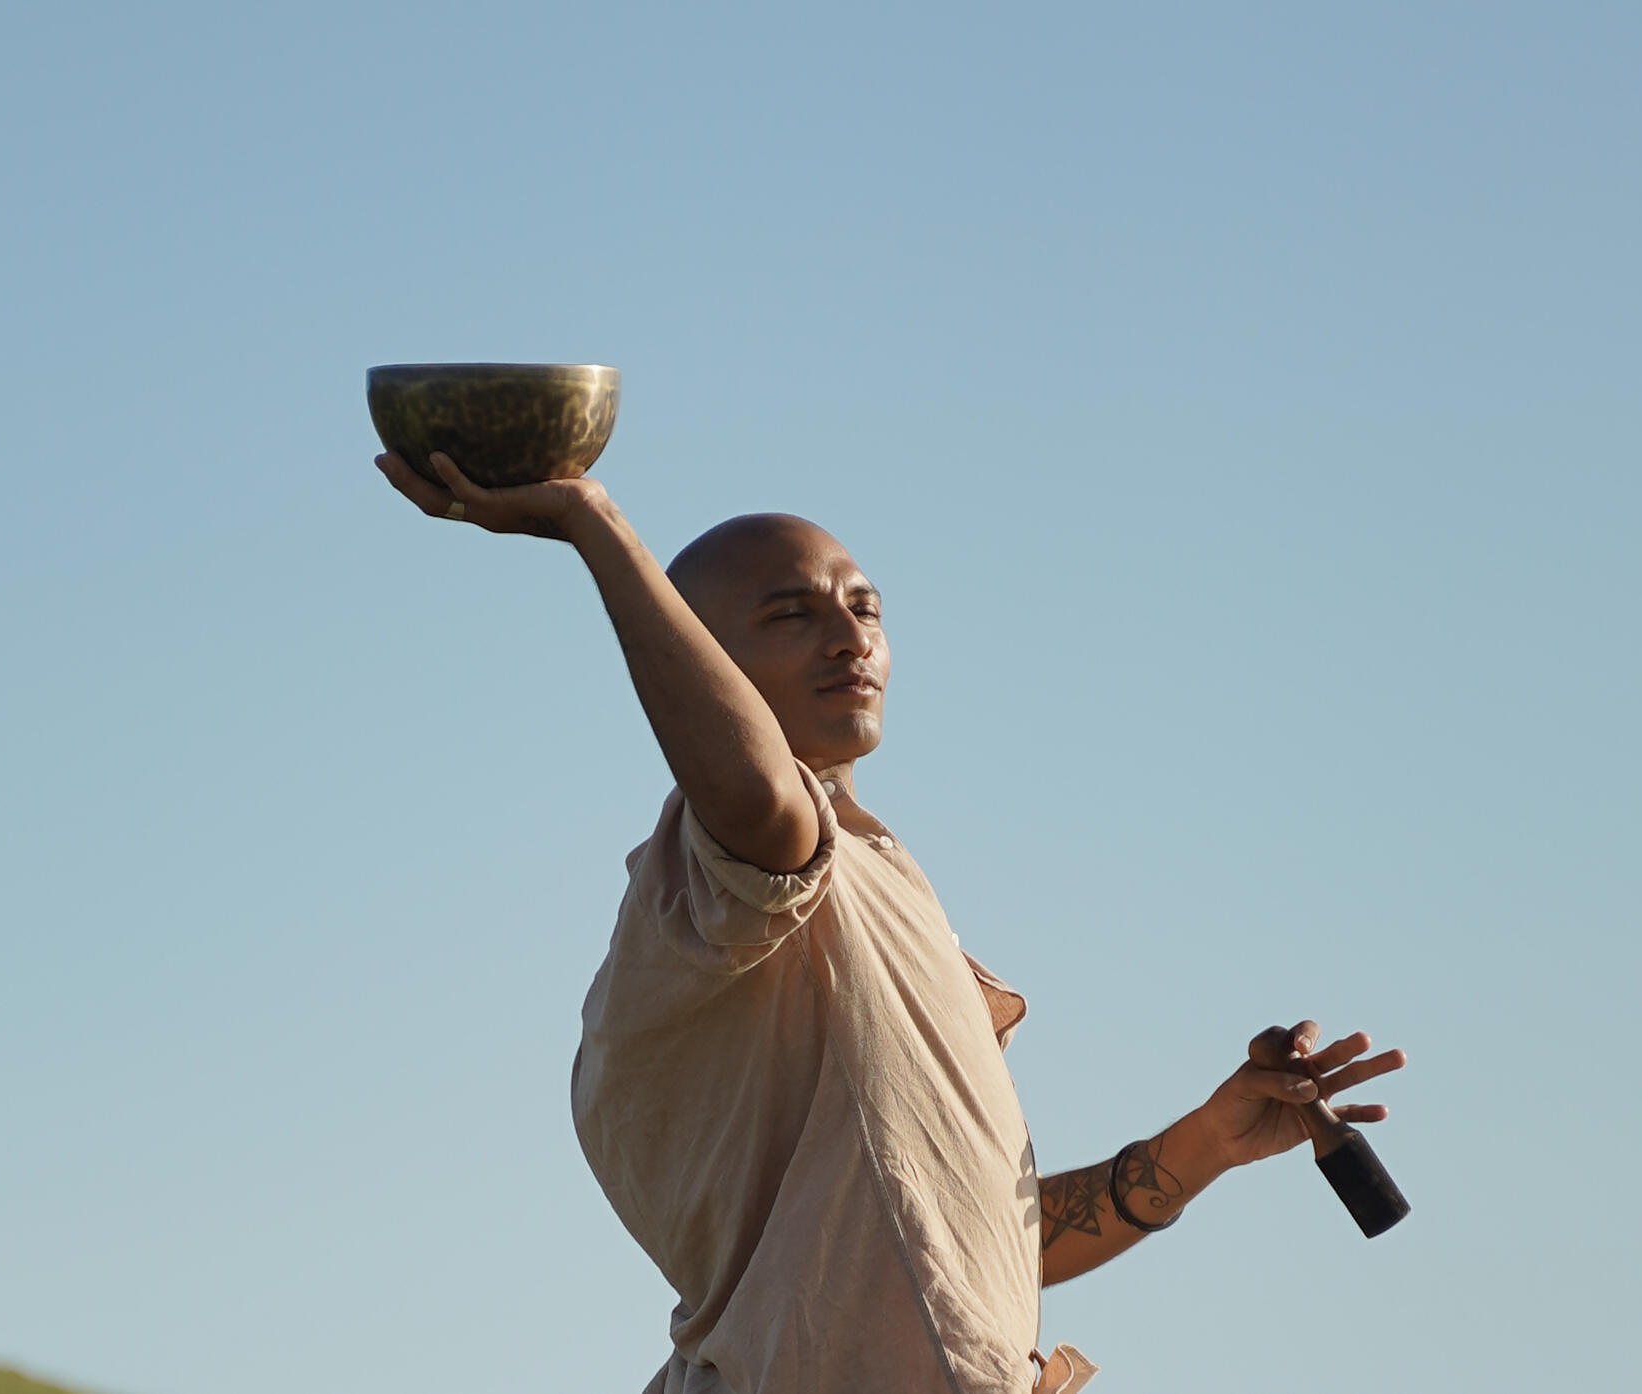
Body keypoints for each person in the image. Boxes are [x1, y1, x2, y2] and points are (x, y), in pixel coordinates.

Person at [374, 449, 1408, 1394]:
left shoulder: (876, 878)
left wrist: (1202, 1143)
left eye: (865, 606)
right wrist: (595, 525)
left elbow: (962, 1249)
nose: (848, 633)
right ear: (702, 657)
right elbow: (759, 802)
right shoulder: (734, 866)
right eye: (791, 612)